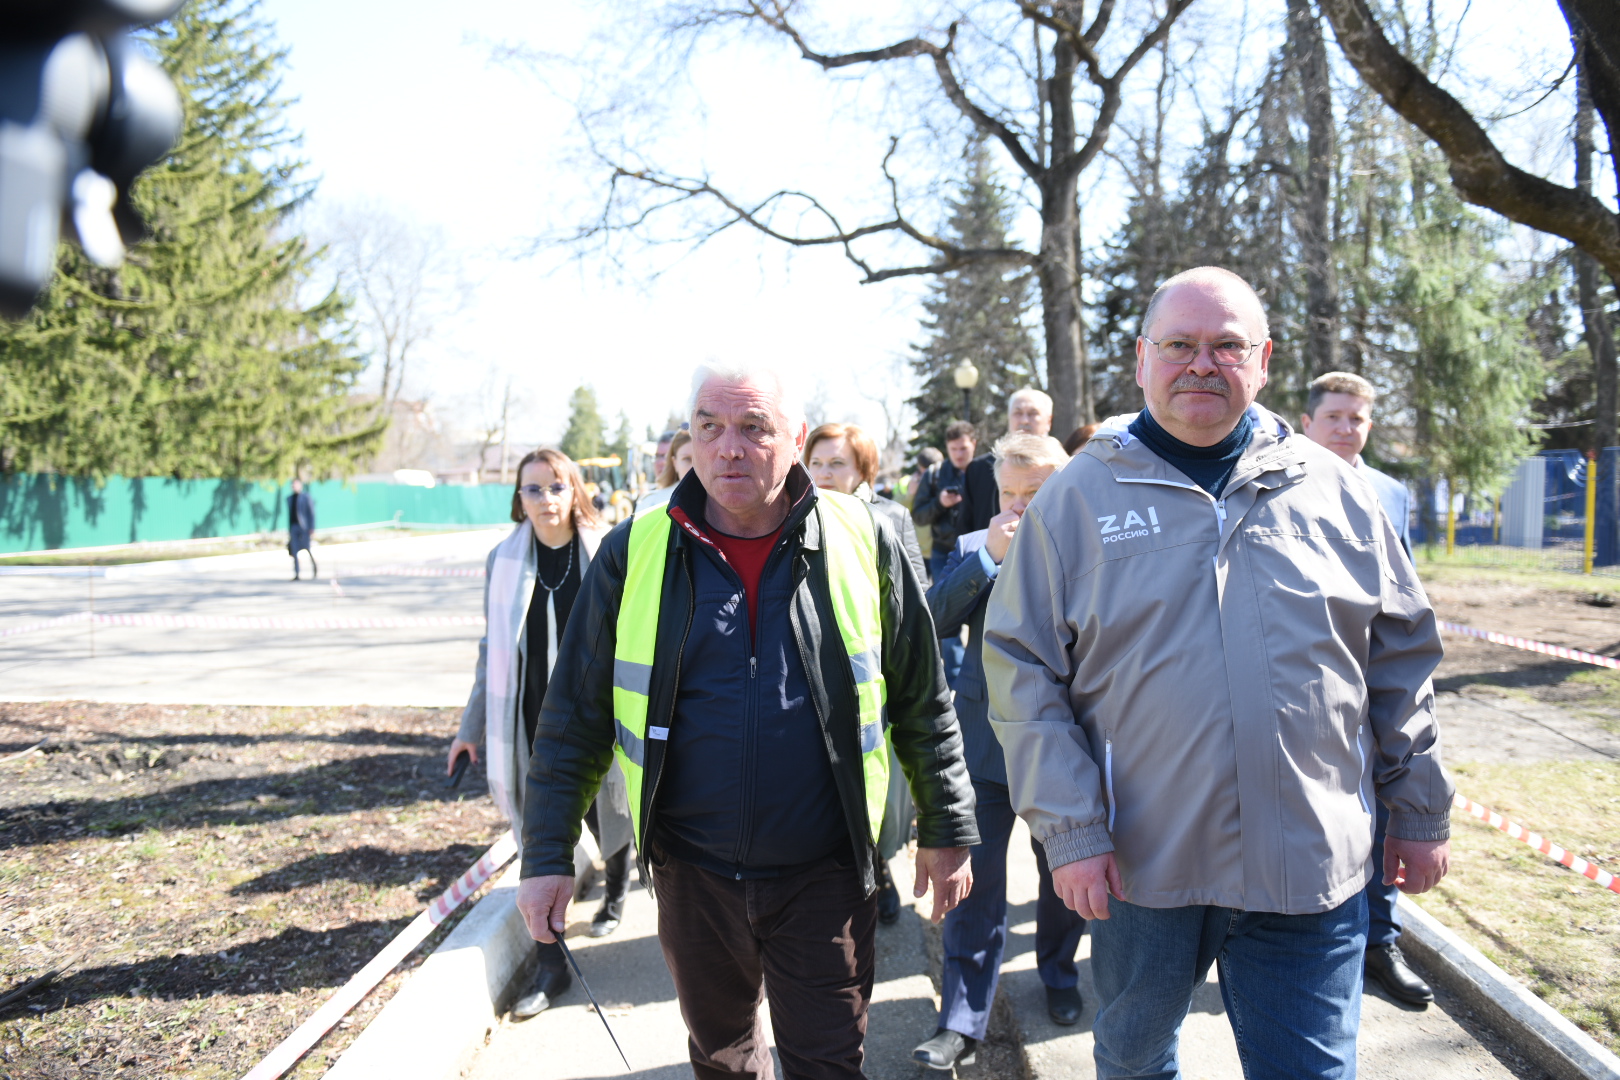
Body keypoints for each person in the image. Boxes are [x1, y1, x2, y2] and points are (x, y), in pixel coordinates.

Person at [984, 266, 1452, 1080]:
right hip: (1140, 868)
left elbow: (1400, 656)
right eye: (1179, 345)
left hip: (1310, 868)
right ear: (1141, 360)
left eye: (1226, 346)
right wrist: (1071, 830)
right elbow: (1022, 668)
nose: (1202, 364)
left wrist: (1418, 807)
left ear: (1263, 361)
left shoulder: (1336, 492)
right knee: (1133, 1063)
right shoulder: (1078, 499)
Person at [516, 362, 980, 1080]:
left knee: (828, 1065)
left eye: (753, 427)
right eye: (709, 427)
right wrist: (547, 855)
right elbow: (574, 714)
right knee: (724, 1063)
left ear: (795, 437)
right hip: (691, 874)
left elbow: (924, 696)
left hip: (825, 872)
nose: (728, 447)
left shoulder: (866, 536)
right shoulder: (636, 547)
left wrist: (948, 828)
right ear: (690, 438)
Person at [914, 432, 1086, 1071]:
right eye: (1009, 494)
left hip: (1063, 751)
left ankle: (1061, 975)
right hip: (984, 747)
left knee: (1063, 876)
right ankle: (961, 1019)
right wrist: (986, 557)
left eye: (1034, 493)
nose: (1019, 507)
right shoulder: (977, 547)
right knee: (975, 888)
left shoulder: (1089, 549)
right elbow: (932, 617)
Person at [447, 447, 634, 1020]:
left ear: (575, 490)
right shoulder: (500, 562)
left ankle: (619, 886)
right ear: (518, 499)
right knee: (538, 845)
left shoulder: (607, 551)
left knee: (611, 817)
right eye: (533, 489)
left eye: (556, 486)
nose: (545, 499)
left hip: (599, 723)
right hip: (527, 723)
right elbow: (491, 653)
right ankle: (552, 967)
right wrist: (469, 728)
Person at [1300, 370, 1428, 1006]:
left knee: (1386, 808)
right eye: (1335, 418)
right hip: (1315, 687)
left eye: (1358, 419)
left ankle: (1380, 942)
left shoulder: (1390, 493)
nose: (1348, 429)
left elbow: (1406, 592)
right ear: (1307, 423)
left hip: (1380, 679)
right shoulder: (1281, 485)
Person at [804, 421, 928, 926]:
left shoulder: (889, 518)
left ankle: (878, 869)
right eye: (817, 463)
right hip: (811, 678)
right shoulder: (789, 518)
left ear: (863, 471)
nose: (826, 474)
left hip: (872, 677)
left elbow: (917, 598)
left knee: (872, 783)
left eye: (838, 464)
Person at [636, 428, 694, 512]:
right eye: (658, 456)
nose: (662, 462)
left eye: (666, 456)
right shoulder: (649, 503)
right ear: (675, 462)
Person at [288, 479, 316, 581]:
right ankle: (297, 573)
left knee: (307, 548)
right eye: (293, 485)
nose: (294, 487)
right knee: (294, 551)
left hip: (304, 528)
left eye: (296, 485)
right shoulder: (290, 498)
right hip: (294, 527)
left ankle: (314, 569)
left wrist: (312, 528)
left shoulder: (306, 497)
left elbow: (311, 513)